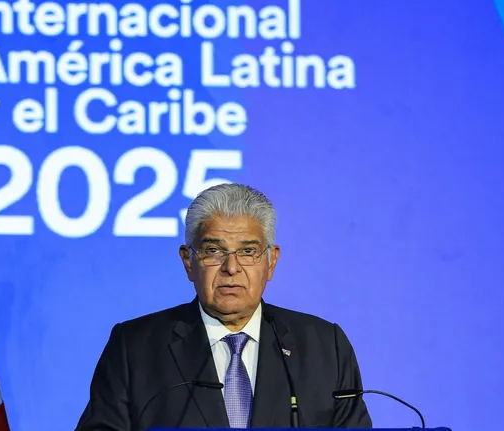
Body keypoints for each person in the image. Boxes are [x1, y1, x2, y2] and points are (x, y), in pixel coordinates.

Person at [75, 183, 372, 430]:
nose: (231, 267)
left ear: (271, 261)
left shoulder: (323, 345)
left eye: (248, 251)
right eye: (213, 250)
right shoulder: (135, 346)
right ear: (189, 261)